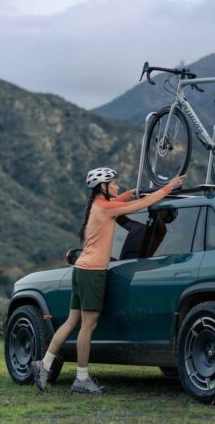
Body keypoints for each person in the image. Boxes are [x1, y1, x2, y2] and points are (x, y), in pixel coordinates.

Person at [30, 167, 184, 394]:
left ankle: (44, 364)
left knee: (72, 322)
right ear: (103, 187)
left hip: (81, 270)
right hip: (93, 273)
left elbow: (121, 201)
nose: (117, 186)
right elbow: (139, 207)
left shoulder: (98, 205)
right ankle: (81, 378)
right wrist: (168, 187)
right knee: (88, 326)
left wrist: (130, 192)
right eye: (114, 183)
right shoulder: (107, 208)